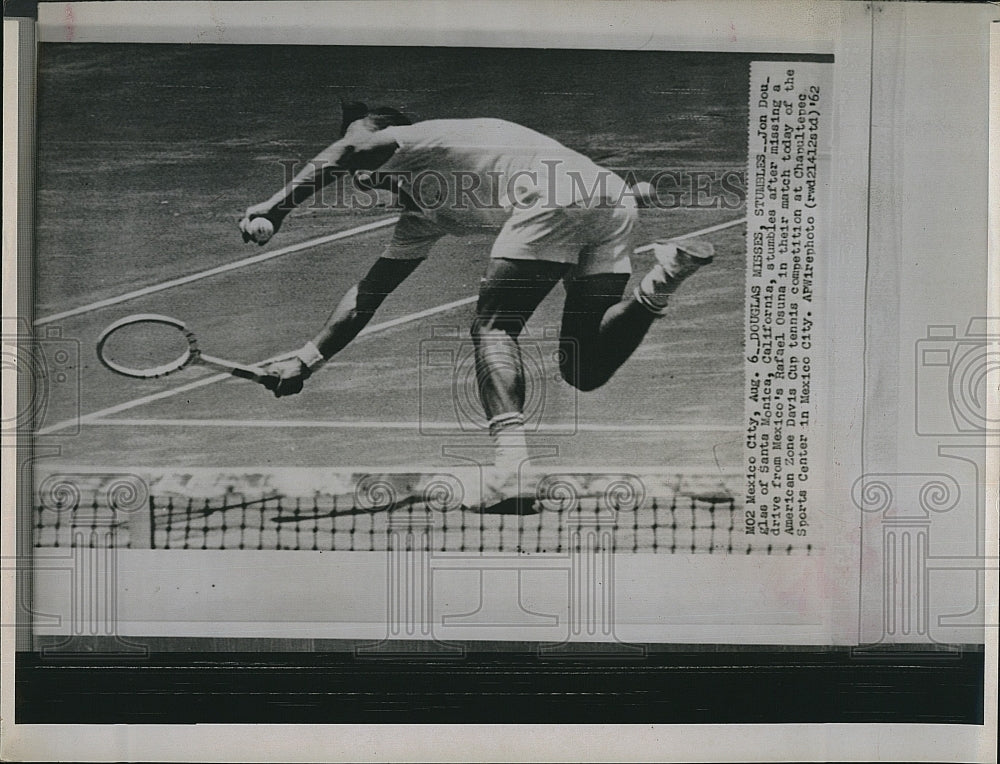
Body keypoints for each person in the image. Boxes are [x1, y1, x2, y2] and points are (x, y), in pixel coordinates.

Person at [240, 103, 714, 504]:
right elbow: (371, 293)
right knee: (584, 368)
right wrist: (307, 360)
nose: (360, 180)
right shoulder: (422, 213)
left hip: (560, 196)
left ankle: (511, 469)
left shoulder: (411, 139)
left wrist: (275, 208)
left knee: (493, 327)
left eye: (361, 174)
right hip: (610, 198)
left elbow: (351, 143)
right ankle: (665, 277)